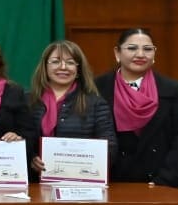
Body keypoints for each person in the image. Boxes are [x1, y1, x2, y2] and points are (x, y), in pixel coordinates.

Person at [95, 27, 178, 188]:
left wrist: (165, 180)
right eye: (132, 48)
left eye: (147, 49)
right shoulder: (96, 88)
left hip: (158, 183)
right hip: (109, 182)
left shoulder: (174, 90)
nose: (140, 54)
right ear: (117, 53)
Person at [27, 40, 117, 177]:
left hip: (80, 183)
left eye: (70, 62)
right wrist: (31, 158)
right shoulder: (28, 101)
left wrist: (84, 165)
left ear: (78, 70)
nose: (63, 67)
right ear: (45, 67)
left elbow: (109, 146)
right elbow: (20, 140)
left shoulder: (96, 103)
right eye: (56, 62)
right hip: (35, 183)